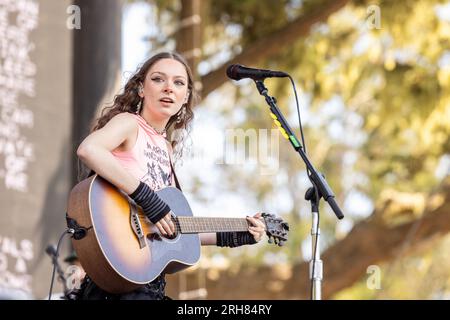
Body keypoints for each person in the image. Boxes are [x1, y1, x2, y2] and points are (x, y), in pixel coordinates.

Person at [74, 52, 266, 300]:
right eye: (158, 79)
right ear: (141, 89)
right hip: (117, 278)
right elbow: (89, 150)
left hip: (148, 283)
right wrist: (146, 197)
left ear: (185, 97)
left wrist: (236, 234)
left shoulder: (167, 149)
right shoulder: (129, 124)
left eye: (178, 83)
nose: (168, 88)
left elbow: (171, 227)